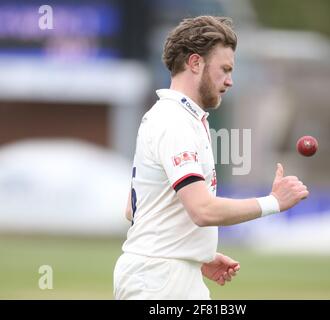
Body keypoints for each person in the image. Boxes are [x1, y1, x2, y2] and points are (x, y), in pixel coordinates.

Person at [113, 15, 309, 300]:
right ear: (195, 63)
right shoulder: (174, 121)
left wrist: (194, 254)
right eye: (225, 70)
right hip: (160, 280)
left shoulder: (176, 116)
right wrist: (274, 202)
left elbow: (134, 210)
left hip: (167, 273)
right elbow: (202, 210)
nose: (230, 81)